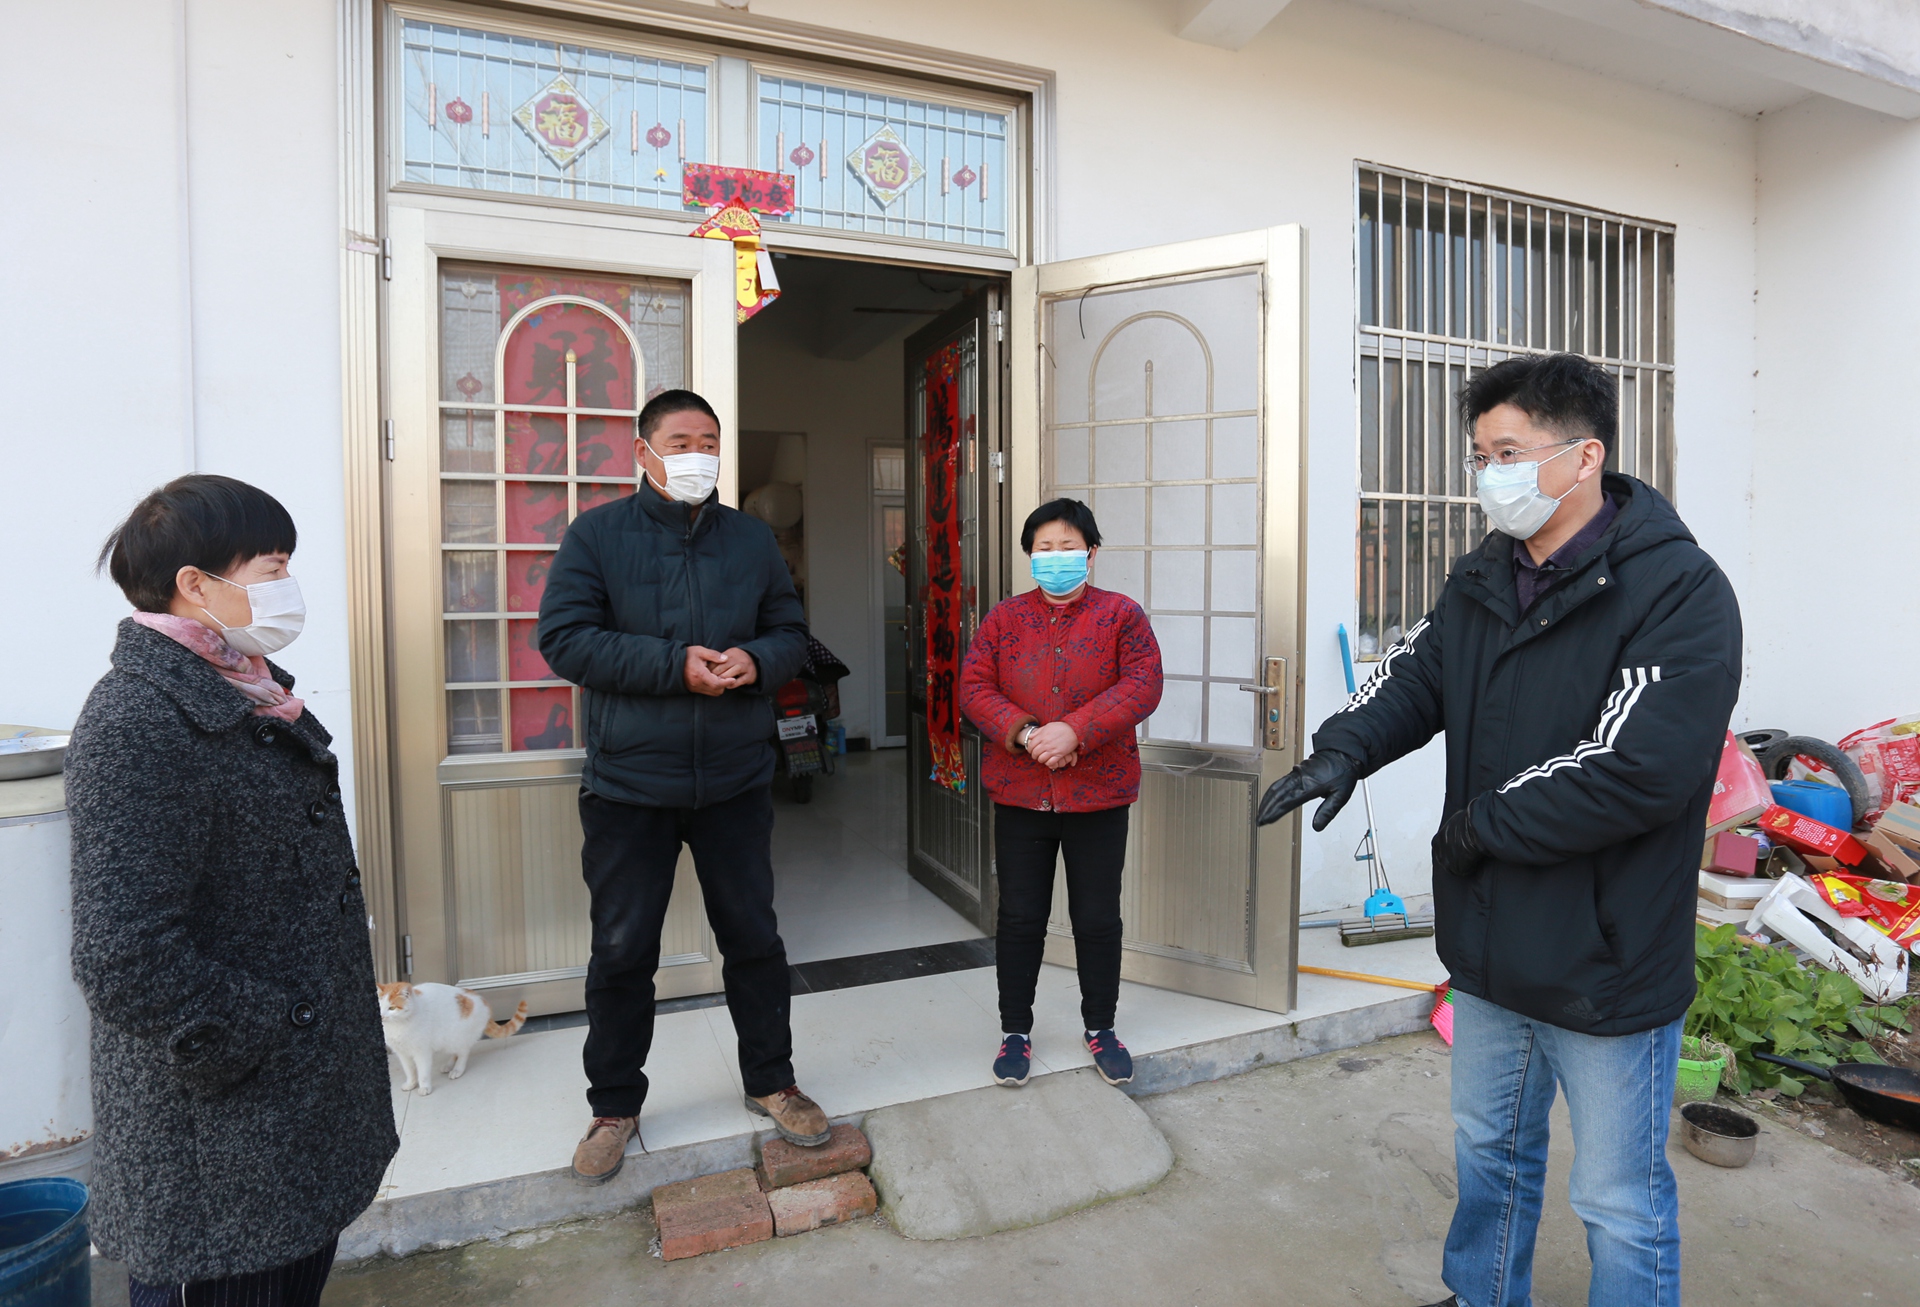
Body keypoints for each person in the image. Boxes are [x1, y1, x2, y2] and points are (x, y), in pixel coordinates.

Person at [1258, 354, 1740, 1307]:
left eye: (1508, 453)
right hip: (1489, 943)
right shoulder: (1483, 575)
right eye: (1480, 456)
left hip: (1605, 955)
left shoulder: (1676, 589)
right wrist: (1342, 751)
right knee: (1489, 1151)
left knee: (1619, 1198)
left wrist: (1477, 826)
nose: (1489, 475)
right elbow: (1415, 676)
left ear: (1584, 456)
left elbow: (1634, 768)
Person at [67, 476, 396, 1306]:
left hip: (284, 1118)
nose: (289, 585)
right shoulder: (136, 719)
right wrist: (273, 1026)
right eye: (272, 566)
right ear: (196, 583)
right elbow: (123, 956)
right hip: (219, 1141)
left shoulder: (246, 686)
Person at [537, 388, 824, 1183]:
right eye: (681, 440)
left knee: (754, 938)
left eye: (709, 441)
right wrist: (675, 665)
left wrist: (756, 660)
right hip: (630, 784)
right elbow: (564, 639)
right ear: (643, 451)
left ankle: (772, 1079)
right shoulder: (597, 535)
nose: (698, 454)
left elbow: (791, 632)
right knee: (622, 949)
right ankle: (613, 1105)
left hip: (734, 778)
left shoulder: (752, 539)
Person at [960, 498, 1163, 1089]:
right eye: (1043, 548)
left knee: (1097, 918)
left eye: (1068, 547)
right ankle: (1015, 1032)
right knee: (1020, 917)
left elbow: (1143, 684)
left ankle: (1101, 1027)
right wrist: (1029, 735)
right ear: (1029, 555)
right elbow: (974, 686)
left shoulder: (1121, 615)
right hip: (1021, 794)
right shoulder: (1004, 619)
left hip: (1098, 796)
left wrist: (1075, 731)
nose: (1056, 557)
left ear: (1091, 553)